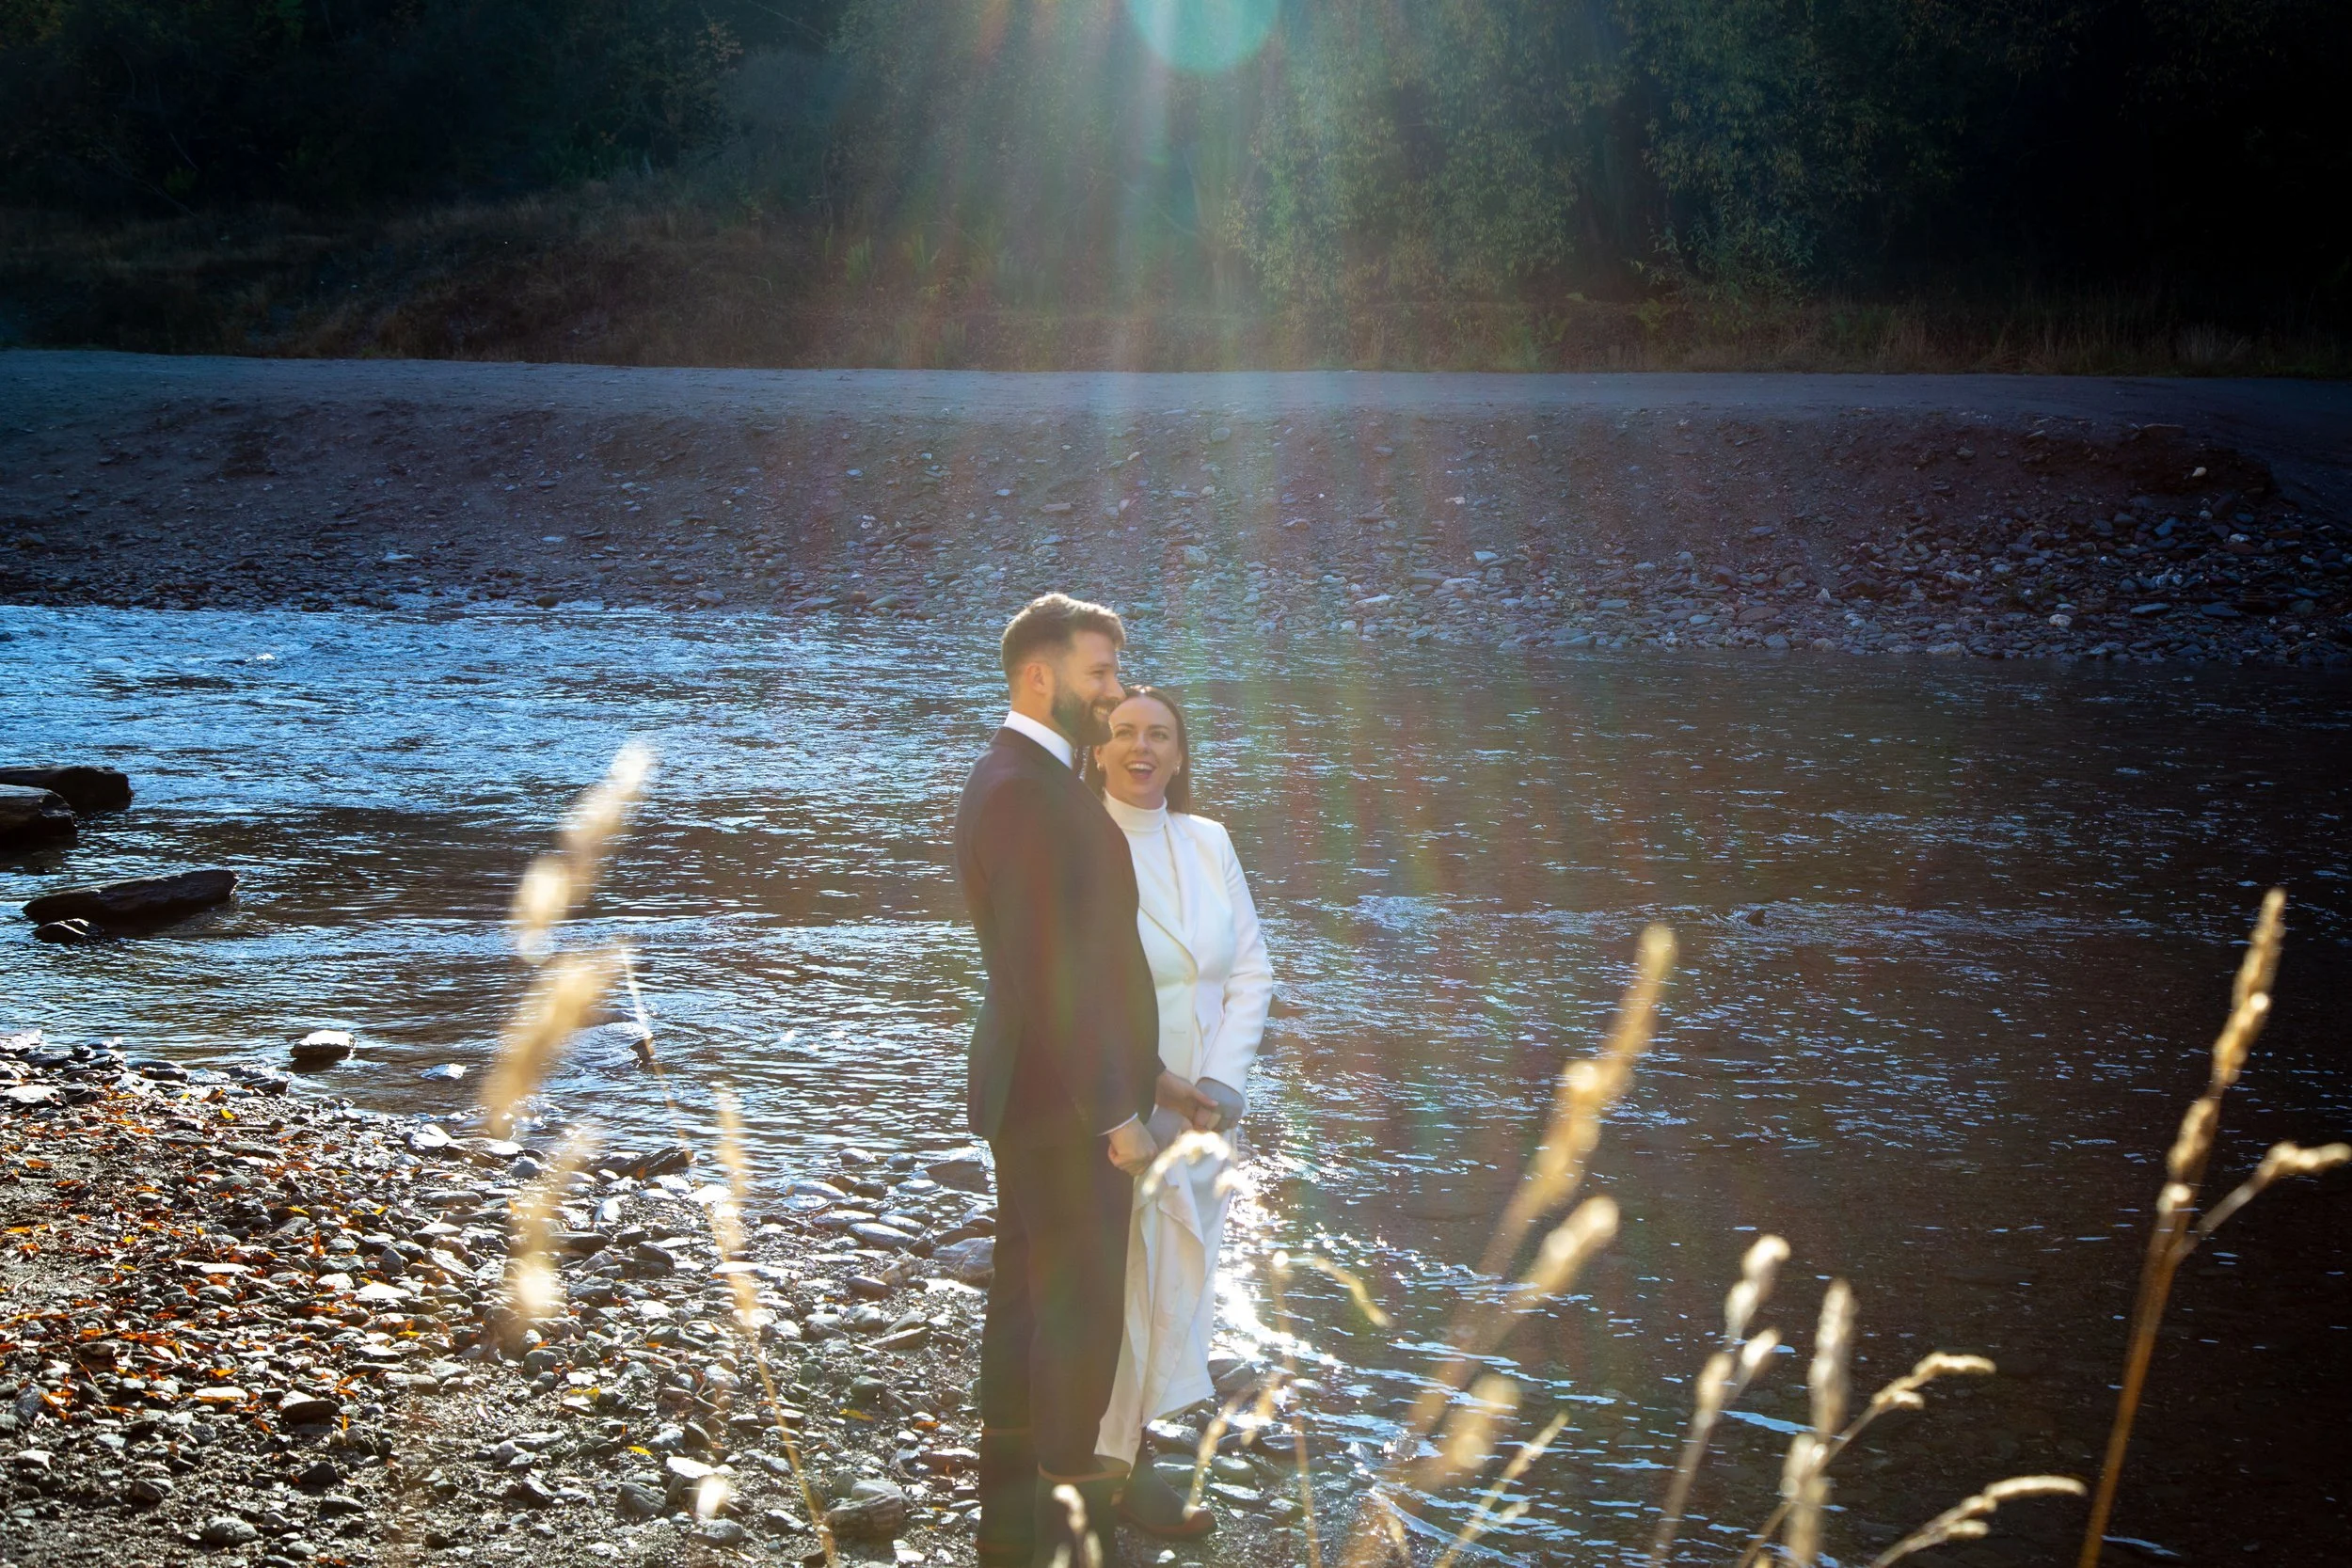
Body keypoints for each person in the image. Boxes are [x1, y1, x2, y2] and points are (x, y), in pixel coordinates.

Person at [952, 594, 1217, 1568]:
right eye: (1100, 674)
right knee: (1077, 1316)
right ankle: (1065, 1544)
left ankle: (1007, 1537)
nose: (1113, 696)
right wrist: (1116, 1109)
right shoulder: (1024, 788)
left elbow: (1080, 960)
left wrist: (1155, 1075)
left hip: (1038, 1091)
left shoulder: (1025, 774)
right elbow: (1043, 968)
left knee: (1027, 1301)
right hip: (1061, 1106)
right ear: (1041, 675)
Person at [1083, 686, 1274, 1539]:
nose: (1141, 747)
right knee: (1125, 1278)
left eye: (1158, 734)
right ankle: (1111, 1466)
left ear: (1181, 754)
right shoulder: (1082, 839)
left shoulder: (1210, 841)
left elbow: (1251, 973)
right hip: (1122, 1098)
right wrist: (1141, 1097)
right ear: (1098, 751)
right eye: (1124, 732)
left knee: (1181, 1279)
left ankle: (1136, 1445)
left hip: (1207, 1111)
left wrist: (1223, 1086)